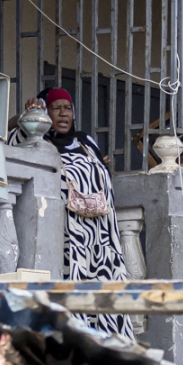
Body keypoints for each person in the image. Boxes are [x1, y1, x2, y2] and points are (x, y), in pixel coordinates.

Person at [37, 90, 133, 335]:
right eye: (55, 108)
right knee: (74, 293)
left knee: (106, 294)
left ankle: (114, 351)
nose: (62, 113)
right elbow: (14, 139)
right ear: (45, 113)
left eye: (67, 108)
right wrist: (26, 115)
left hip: (102, 236)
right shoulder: (39, 142)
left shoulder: (85, 141)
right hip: (70, 237)